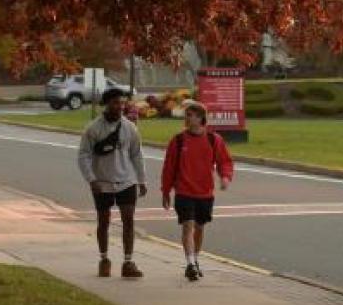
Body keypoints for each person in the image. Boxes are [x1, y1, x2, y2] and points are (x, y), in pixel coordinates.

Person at [78, 87, 147, 278]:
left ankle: (128, 262)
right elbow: (83, 156)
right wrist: (91, 179)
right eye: (116, 102)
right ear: (107, 104)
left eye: (122, 102)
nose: (120, 106)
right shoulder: (93, 129)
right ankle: (104, 259)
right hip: (102, 182)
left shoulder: (130, 128)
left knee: (128, 220)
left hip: (126, 181)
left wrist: (141, 180)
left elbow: (137, 155)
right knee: (103, 221)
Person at [161, 101, 234, 281]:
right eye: (186, 115)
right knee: (188, 226)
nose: (186, 118)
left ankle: (195, 259)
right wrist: (165, 191)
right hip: (184, 191)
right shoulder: (178, 140)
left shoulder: (213, 139)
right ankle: (190, 263)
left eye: (190, 115)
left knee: (199, 228)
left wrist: (225, 177)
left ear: (201, 118)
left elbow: (225, 161)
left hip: (205, 193)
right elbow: (168, 167)